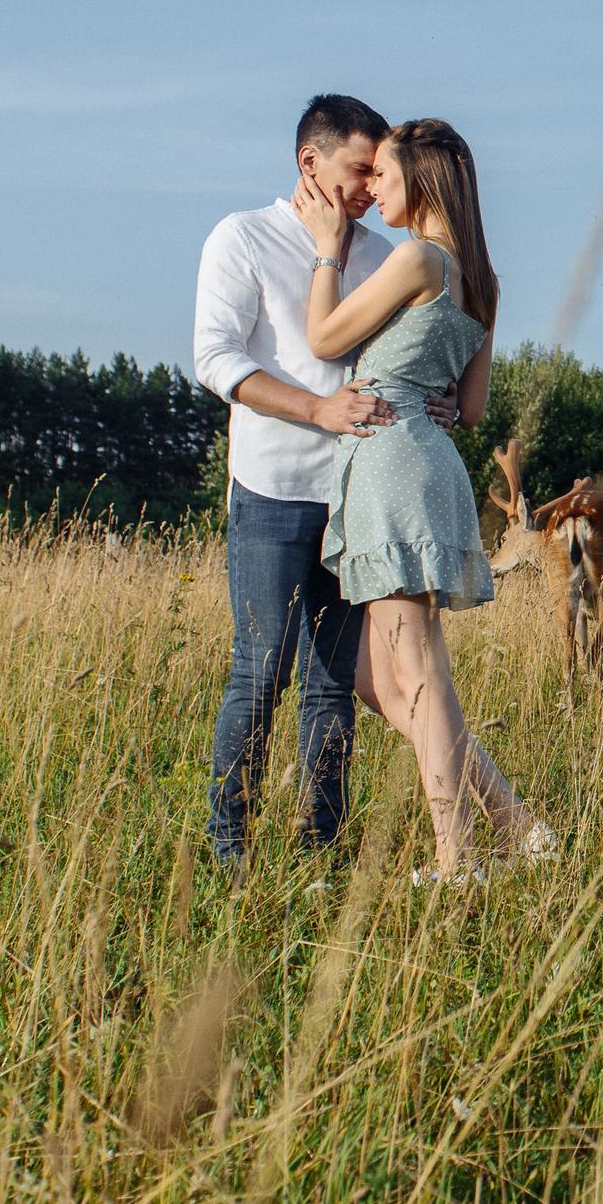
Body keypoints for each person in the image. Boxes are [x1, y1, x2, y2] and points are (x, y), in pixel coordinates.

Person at [194, 95, 455, 871]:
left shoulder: (382, 255)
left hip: (355, 497)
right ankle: (230, 850)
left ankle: (320, 853)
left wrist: (436, 398)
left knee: (332, 685)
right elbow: (214, 358)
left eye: (378, 173)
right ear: (310, 161)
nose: (372, 186)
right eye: (358, 169)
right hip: (271, 491)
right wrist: (317, 407)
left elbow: (405, 356)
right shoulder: (241, 236)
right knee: (261, 668)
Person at [296, 118, 554, 881]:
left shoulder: (418, 258)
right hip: (429, 458)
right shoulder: (483, 280)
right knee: (380, 678)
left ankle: (457, 858)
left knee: (418, 669)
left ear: (424, 178)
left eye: (384, 173)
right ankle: (516, 824)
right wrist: (427, 392)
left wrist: (325, 249)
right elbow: (469, 410)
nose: (373, 187)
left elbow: (323, 338)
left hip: (391, 461)